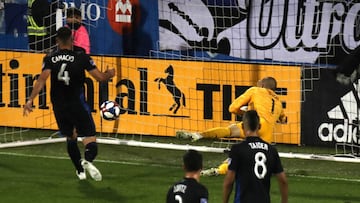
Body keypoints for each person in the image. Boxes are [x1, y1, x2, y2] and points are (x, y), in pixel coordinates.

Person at [23, 26, 115, 181]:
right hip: (77, 104)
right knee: (90, 139)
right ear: (72, 39)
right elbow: (99, 78)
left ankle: (80, 171)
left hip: (59, 105)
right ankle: (87, 159)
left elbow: (41, 80)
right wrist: (110, 74)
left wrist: (30, 99)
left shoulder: (50, 58)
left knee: (70, 136)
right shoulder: (81, 57)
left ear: (57, 41)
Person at [177, 77, 287, 175]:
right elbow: (283, 119)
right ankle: (218, 171)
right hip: (267, 131)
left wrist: (246, 114)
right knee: (249, 154)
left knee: (230, 131)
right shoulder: (278, 103)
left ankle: (199, 135)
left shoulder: (255, 90)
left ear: (262, 85)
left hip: (254, 122)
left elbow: (232, 108)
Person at [223, 110, 288, 203]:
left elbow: (229, 181)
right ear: (260, 127)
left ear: (242, 127)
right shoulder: (271, 150)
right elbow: (283, 181)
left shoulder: (238, 149)